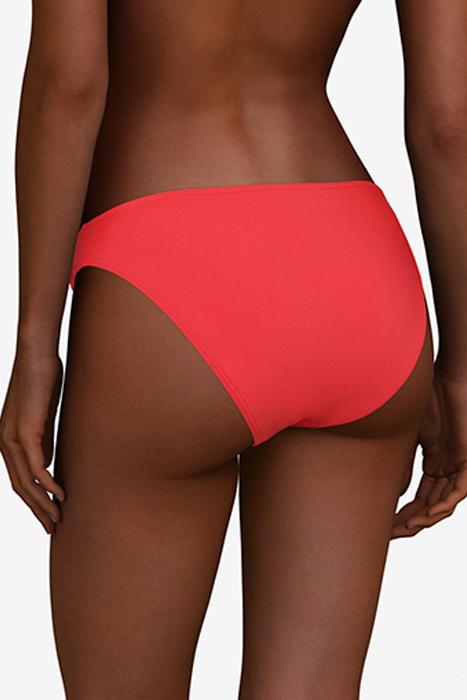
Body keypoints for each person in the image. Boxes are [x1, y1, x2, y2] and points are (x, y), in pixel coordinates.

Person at [1, 1, 466, 697]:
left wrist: (36, 342)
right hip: (355, 271)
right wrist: (460, 367)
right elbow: (448, 125)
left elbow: (69, 84)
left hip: (165, 279)